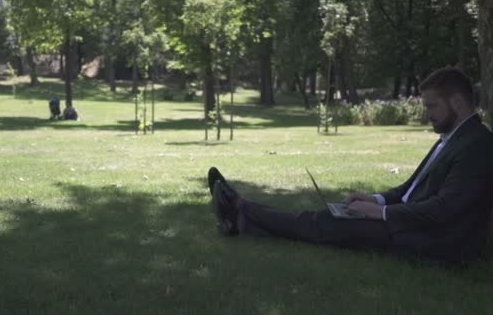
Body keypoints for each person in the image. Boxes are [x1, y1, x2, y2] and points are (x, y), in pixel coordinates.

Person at [209, 67, 493, 265]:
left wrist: (380, 213)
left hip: (435, 242)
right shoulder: (453, 137)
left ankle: (239, 206)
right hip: (412, 226)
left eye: (432, 106)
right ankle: (244, 223)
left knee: (329, 222)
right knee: (332, 218)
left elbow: (444, 210)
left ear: (456, 101)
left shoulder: (477, 144)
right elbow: (411, 189)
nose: (426, 113)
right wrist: (375, 199)